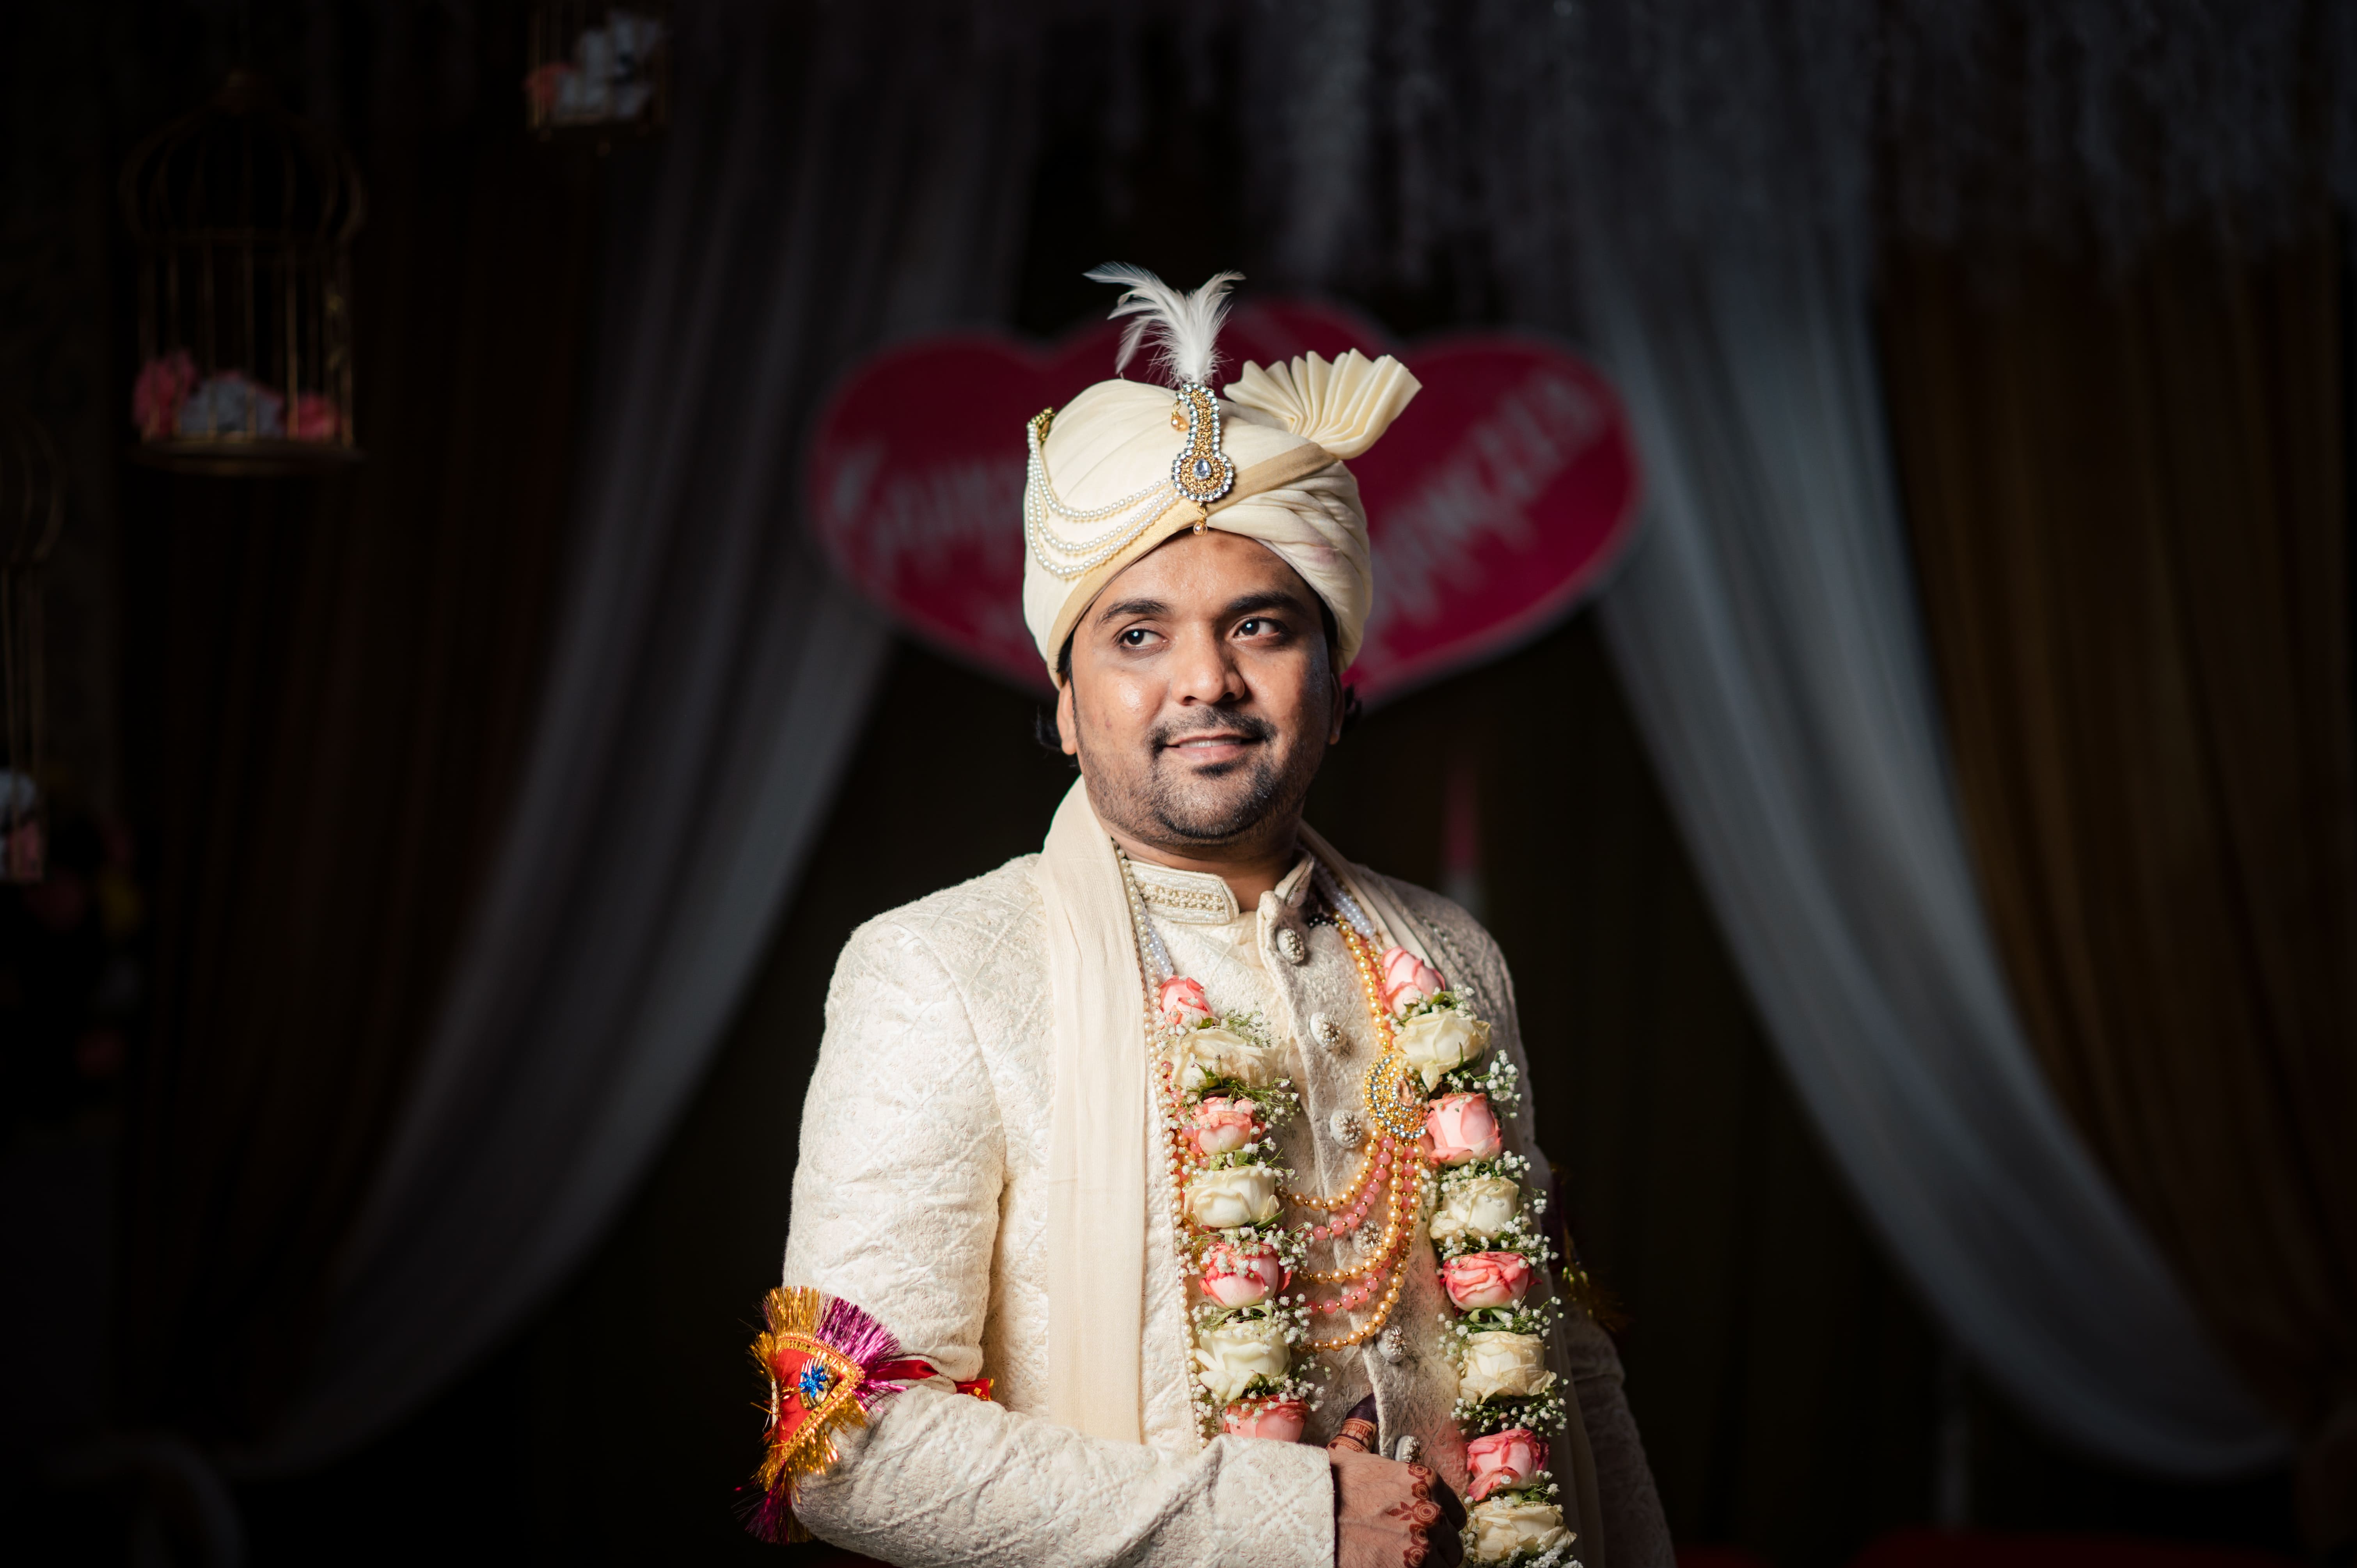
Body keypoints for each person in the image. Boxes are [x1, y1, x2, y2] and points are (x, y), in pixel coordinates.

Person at [753, 268, 1670, 1568]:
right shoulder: (936, 969)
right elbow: (847, 1442)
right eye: (1136, 633)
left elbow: (1569, 1369)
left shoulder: (1449, 954)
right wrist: (1278, 1520)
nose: (1206, 680)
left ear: (1340, 685)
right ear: (1066, 705)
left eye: (1259, 625)